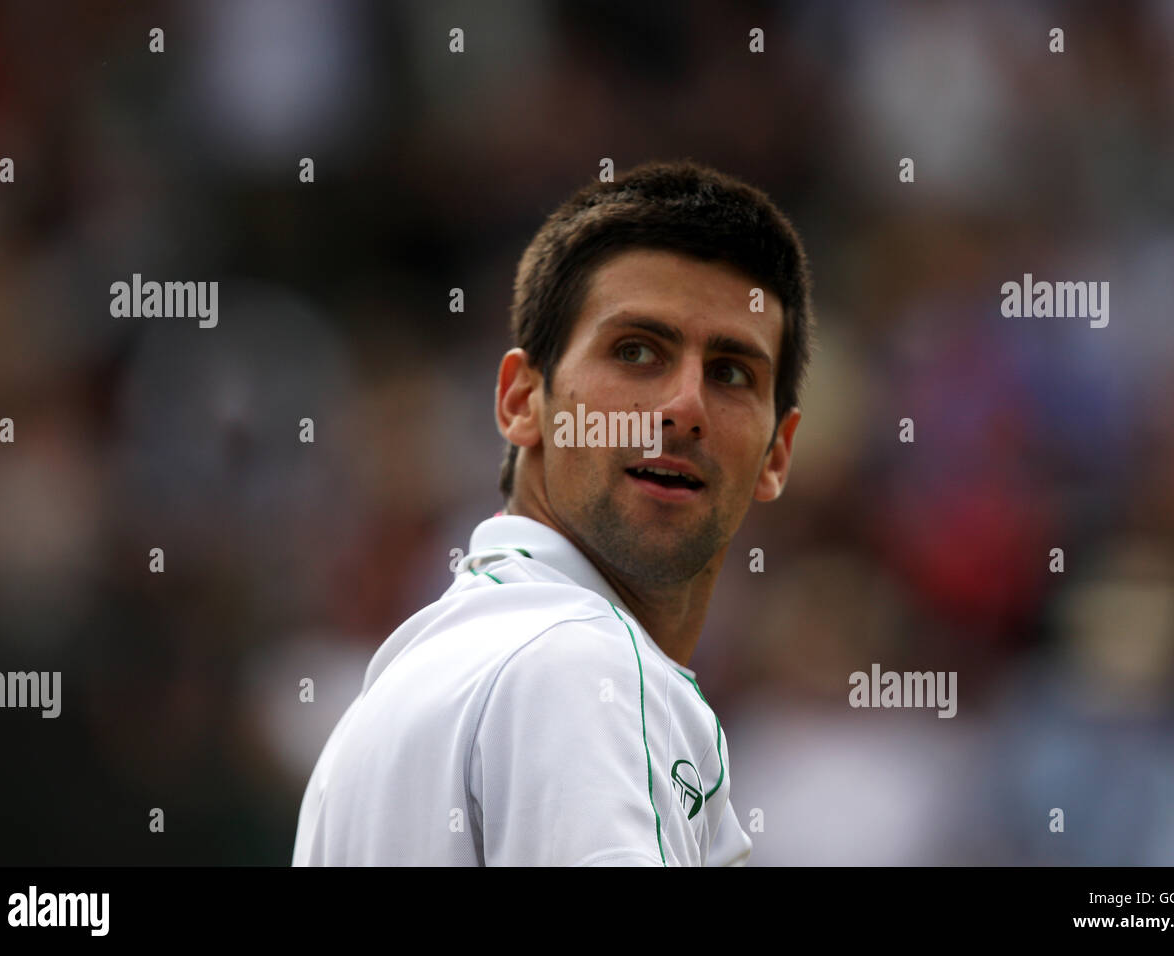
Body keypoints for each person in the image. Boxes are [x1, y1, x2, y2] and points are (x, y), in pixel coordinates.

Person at [292, 159, 812, 866]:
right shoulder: (576, 664)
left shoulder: (395, 699)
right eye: (637, 351)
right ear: (520, 401)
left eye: (730, 373)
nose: (684, 408)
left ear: (777, 452)